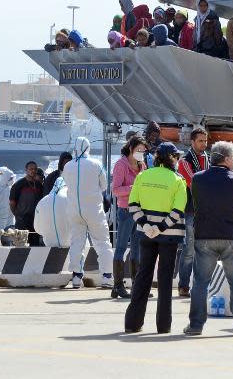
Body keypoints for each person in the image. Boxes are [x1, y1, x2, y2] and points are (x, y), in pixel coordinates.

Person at [184, 141, 233, 336]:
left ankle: (196, 325)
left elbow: (196, 202)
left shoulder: (198, 179)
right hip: (231, 235)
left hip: (205, 234)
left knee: (200, 282)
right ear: (227, 158)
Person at [125, 143, 188, 334]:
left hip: (146, 234)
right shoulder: (178, 180)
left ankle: (132, 323)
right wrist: (161, 227)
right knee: (165, 279)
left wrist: (147, 226)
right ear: (172, 158)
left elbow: (133, 205)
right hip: (169, 236)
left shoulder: (143, 176)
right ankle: (163, 325)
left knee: (143, 276)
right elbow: (178, 211)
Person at [61, 137, 113, 289]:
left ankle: (76, 277)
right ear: (88, 148)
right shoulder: (96, 164)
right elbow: (104, 186)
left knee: (77, 243)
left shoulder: (68, 166)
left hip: (74, 210)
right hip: (93, 209)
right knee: (102, 242)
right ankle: (106, 276)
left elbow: (66, 184)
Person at [111, 135, 148, 299]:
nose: (142, 153)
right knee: (120, 248)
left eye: (144, 150)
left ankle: (136, 285)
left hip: (140, 211)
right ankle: (118, 285)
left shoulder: (143, 165)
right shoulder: (121, 165)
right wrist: (135, 188)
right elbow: (116, 190)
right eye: (139, 149)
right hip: (126, 211)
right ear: (131, 148)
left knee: (137, 249)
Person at [176, 127, 210, 297]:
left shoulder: (208, 159)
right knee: (189, 250)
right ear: (192, 142)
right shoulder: (184, 161)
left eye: (205, 141)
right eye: (200, 141)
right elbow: (193, 182)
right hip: (191, 210)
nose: (204, 144)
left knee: (205, 250)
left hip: (206, 210)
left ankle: (202, 286)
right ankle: (183, 285)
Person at [9, 161, 44, 244]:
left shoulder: (39, 185)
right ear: (26, 170)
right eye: (31, 169)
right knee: (21, 246)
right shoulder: (18, 185)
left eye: (35, 169)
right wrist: (18, 215)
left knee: (35, 245)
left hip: (36, 221)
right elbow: (12, 203)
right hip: (22, 222)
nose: (33, 171)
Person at [34, 176, 71, 248]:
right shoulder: (73, 199)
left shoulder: (42, 201)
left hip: (49, 244)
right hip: (72, 245)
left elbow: (37, 228)